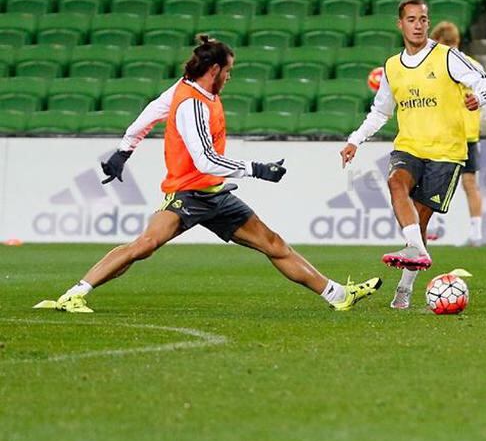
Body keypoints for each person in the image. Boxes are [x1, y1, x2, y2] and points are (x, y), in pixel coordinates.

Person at [34, 35, 382, 313]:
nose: (230, 77)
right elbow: (205, 160)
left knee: (273, 244)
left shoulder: (186, 88)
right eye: (228, 70)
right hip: (189, 193)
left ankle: (337, 295)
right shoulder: (192, 105)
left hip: (215, 194)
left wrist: (125, 150)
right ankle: (75, 293)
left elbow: (151, 111)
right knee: (145, 245)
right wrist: (256, 169)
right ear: (213, 70)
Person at [340, 0, 486, 310]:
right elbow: (380, 112)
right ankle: (416, 249)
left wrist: (478, 98)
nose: (417, 25)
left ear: (428, 23)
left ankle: (405, 286)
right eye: (411, 19)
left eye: (423, 19)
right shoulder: (391, 66)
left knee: (421, 220)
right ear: (400, 24)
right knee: (395, 182)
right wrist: (355, 140)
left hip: (447, 152)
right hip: (410, 146)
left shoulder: (448, 58)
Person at [429, 20, 486, 247]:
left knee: (432, 179)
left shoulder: (438, 67)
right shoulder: (473, 64)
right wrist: (479, 119)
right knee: (470, 184)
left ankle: (435, 223)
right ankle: (476, 234)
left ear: (438, 41)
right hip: (469, 134)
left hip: (445, 132)